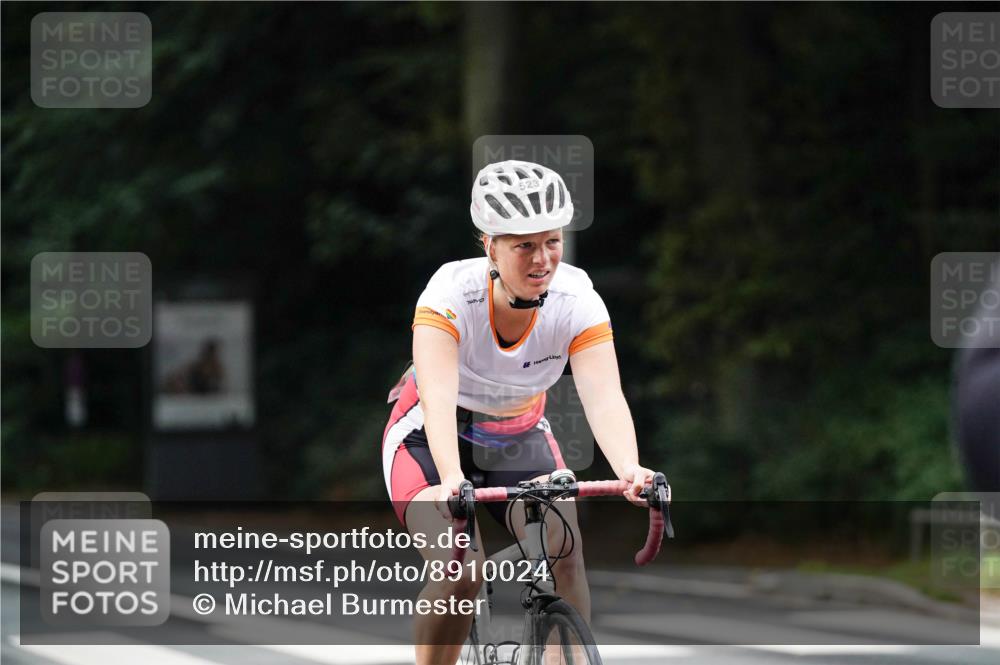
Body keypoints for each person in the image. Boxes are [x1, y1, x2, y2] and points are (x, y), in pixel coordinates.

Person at [382, 159, 657, 665]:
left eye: (552, 241)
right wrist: (450, 476)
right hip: (429, 438)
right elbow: (437, 396)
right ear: (489, 245)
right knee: (461, 571)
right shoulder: (449, 295)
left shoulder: (577, 299)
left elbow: (603, 395)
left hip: (517, 435)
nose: (542, 259)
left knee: (565, 552)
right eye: (524, 245)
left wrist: (629, 468)